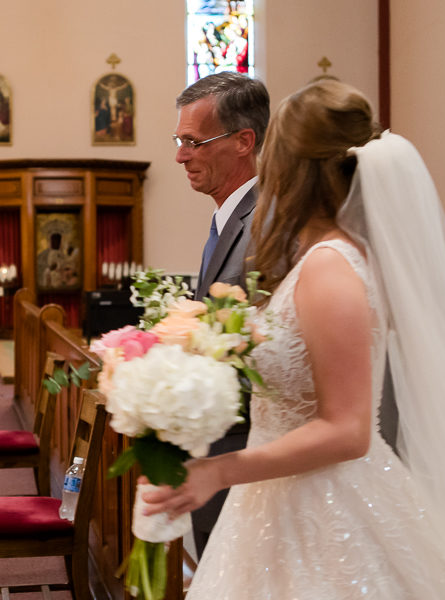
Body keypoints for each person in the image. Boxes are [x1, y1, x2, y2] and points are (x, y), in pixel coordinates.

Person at [145, 79, 445, 599]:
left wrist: (218, 469)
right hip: (276, 496)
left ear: (296, 165)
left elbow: (349, 430)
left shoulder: (331, 267)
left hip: (327, 504)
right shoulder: (316, 258)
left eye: (277, 150)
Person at [173, 71, 269, 560]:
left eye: (193, 141)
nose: (180, 155)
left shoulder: (266, 223)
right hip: (221, 441)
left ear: (243, 142)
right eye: (179, 140)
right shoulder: (230, 216)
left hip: (246, 449)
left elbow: (270, 349)